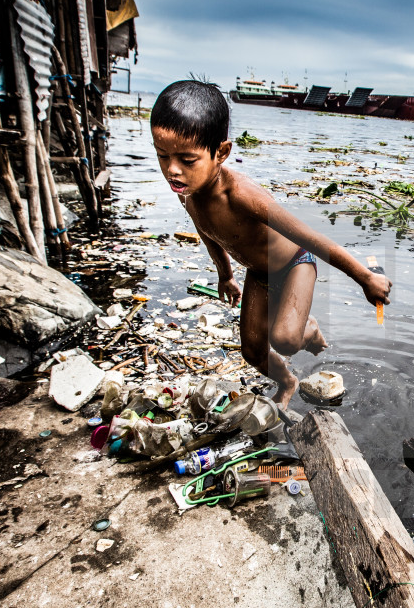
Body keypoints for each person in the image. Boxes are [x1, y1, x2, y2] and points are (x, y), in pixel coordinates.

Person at [150, 81, 391, 408]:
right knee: (251, 350)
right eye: (162, 155)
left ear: (221, 153)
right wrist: (225, 276)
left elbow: (310, 237)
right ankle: (288, 382)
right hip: (259, 271)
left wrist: (365, 277)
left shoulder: (242, 196)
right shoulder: (189, 194)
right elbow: (207, 232)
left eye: (187, 159)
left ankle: (309, 329)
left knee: (286, 340)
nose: (172, 170)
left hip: (296, 263)